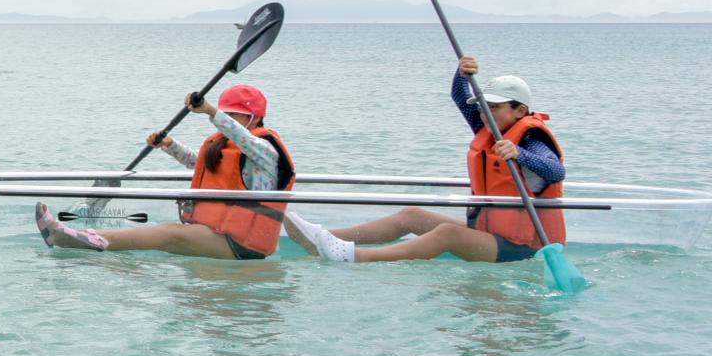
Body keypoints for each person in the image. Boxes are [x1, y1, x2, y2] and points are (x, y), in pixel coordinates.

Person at [299, 56, 566, 264]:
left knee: (447, 234)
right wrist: (461, 74)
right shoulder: (492, 128)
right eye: (483, 106)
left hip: (526, 247)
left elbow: (555, 171)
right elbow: (460, 98)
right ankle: (325, 239)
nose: (484, 113)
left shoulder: (532, 139)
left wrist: (521, 154)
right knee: (411, 215)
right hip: (491, 232)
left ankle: (357, 258)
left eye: (494, 107)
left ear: (520, 110)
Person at [34, 85, 299, 259]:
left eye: (236, 115)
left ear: (254, 118)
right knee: (158, 245)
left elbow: (244, 139)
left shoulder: (265, 150)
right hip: (215, 232)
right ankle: (89, 251)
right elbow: (199, 164)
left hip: (243, 244)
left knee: (168, 233)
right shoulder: (225, 146)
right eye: (227, 113)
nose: (229, 120)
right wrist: (168, 146)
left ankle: (74, 239)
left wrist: (210, 111)